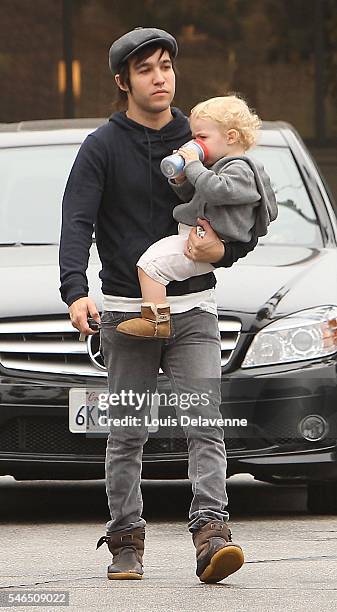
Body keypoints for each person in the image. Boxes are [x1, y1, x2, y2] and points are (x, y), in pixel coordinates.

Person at [59, 27, 258, 584]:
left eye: (167, 66)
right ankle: (125, 540)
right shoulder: (101, 146)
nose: (160, 77)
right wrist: (75, 290)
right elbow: (76, 222)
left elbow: (244, 207)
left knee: (203, 422)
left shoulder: (199, 137)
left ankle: (212, 535)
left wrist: (228, 250)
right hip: (127, 312)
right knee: (127, 431)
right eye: (146, 69)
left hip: (194, 310)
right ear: (124, 81)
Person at [116, 94, 277, 338]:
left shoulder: (241, 169)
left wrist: (193, 166)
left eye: (201, 137)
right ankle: (155, 317)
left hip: (208, 242)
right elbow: (196, 195)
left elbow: (216, 191)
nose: (195, 143)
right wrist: (181, 178)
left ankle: (156, 321)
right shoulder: (219, 166)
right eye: (193, 137)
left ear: (231, 137)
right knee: (150, 261)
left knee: (150, 266)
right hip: (197, 236)